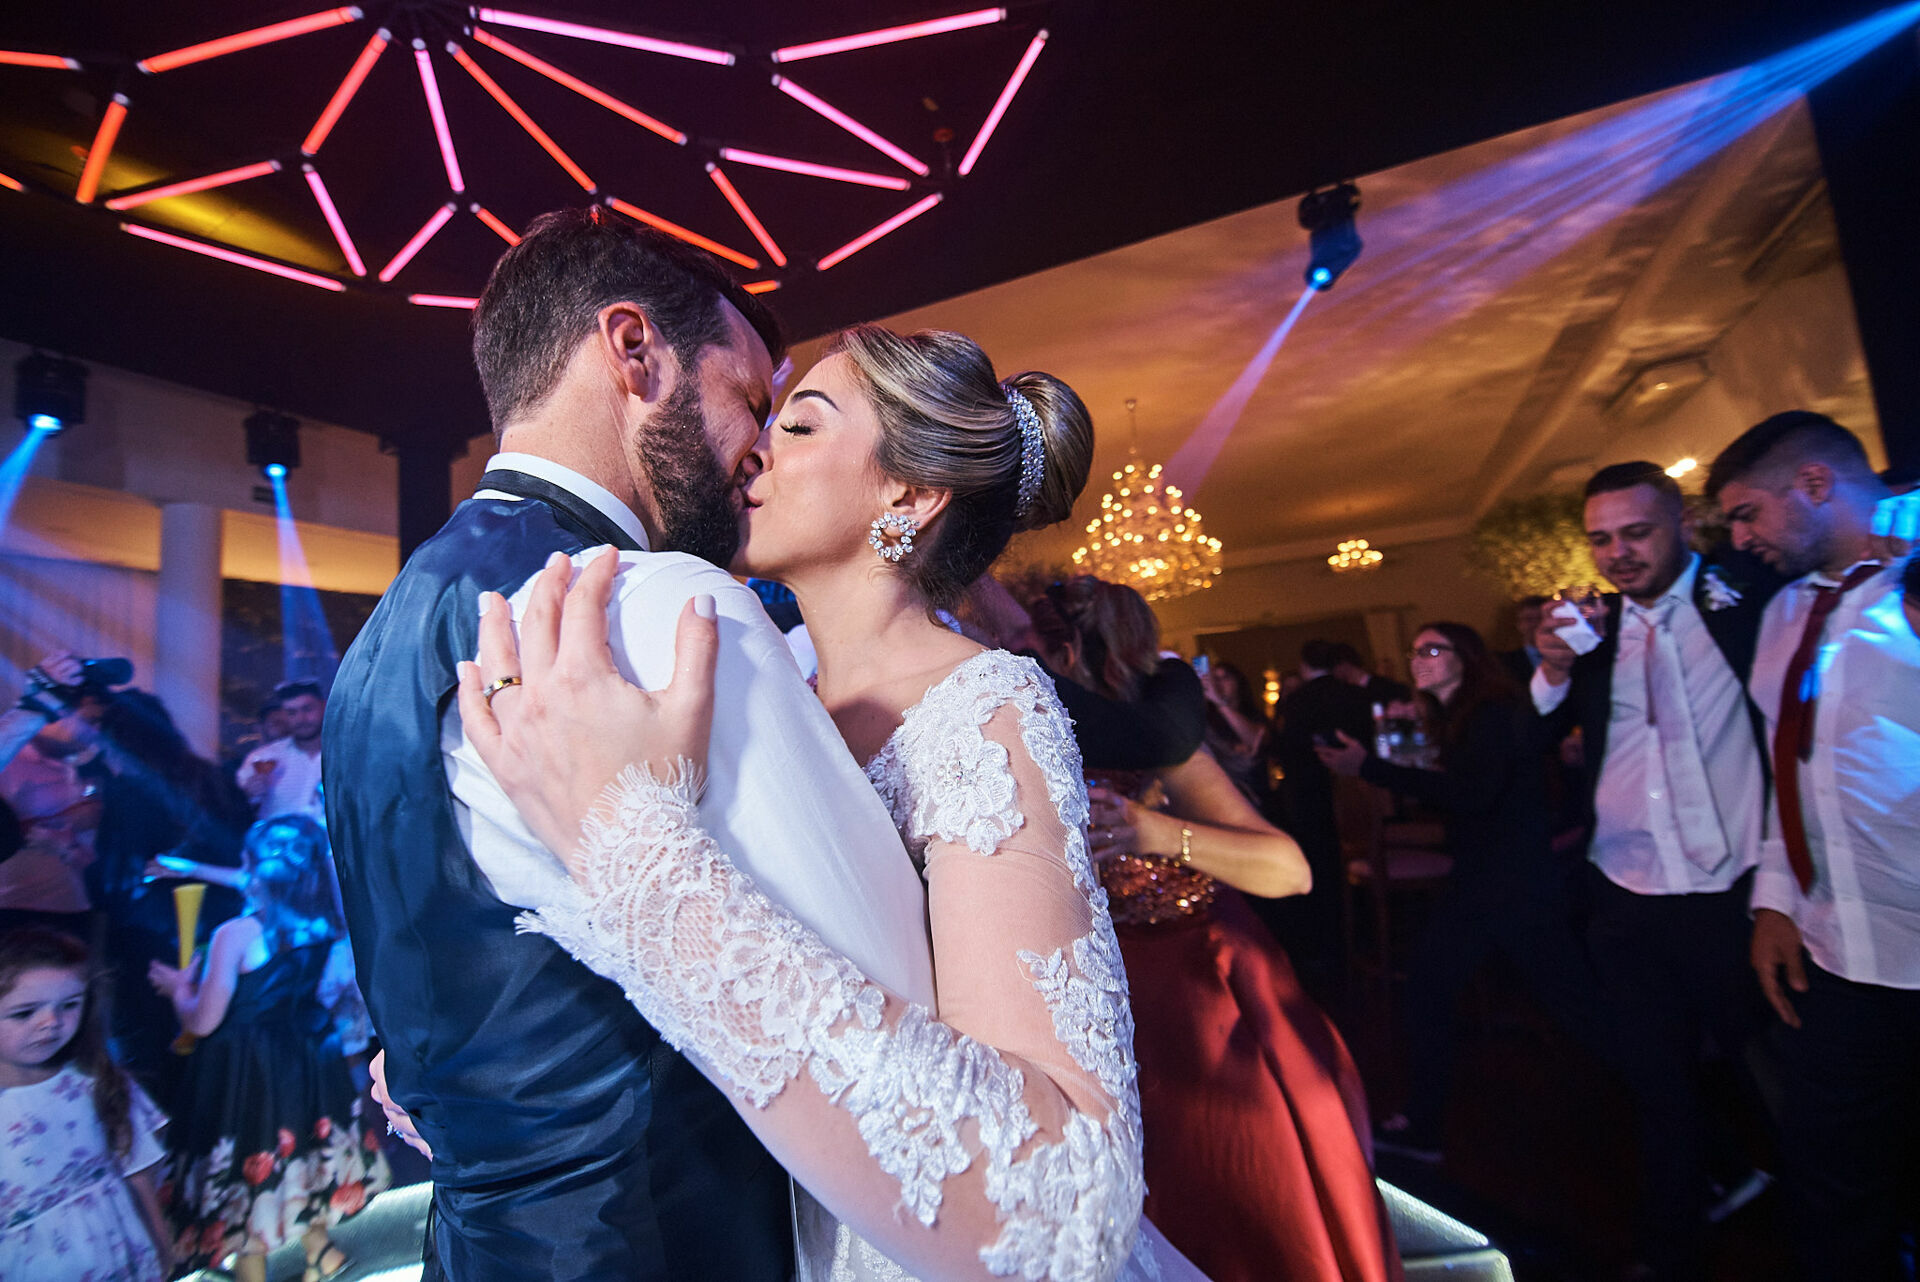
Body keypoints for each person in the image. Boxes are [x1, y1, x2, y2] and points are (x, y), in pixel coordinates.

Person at [423, 314, 1214, 1280]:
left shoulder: (985, 710)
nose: (751, 449)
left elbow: (1065, 1201)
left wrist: (633, 852)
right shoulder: (767, 683)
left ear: (911, 494)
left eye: (797, 426)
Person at [1037, 575, 1400, 1282]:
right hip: (1085, 1000)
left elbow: (1290, 870)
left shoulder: (1162, 745)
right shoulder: (1015, 734)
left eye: (1036, 642)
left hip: (1202, 993)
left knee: (1237, 1201)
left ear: (1079, 649)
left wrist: (1155, 830)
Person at [1529, 460, 1782, 1279]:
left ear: (1681, 521)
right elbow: (1536, 731)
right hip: (1627, 893)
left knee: (1775, 1076)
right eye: (1601, 539)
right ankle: (1671, 1252)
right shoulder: (1592, 632)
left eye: (1636, 533)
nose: (1618, 554)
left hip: (1735, 892)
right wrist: (1555, 670)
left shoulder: (1746, 601)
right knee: (1656, 1085)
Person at [1706, 411, 1920, 1282]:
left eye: (1749, 514)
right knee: (1835, 1192)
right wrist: (1774, 901)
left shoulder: (1912, 587)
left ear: (1816, 486)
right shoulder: (1784, 614)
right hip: (1834, 956)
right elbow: (1783, 773)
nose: (1741, 538)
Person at [1318, 622, 1609, 1162]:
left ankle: (1679, 1123)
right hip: (1495, 878)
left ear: (1466, 658)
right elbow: (1462, 794)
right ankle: (1425, 1124)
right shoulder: (1458, 718)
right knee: (1449, 989)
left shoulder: (1492, 713)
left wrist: (1372, 768)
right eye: (1414, 650)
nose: (1418, 659)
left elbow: (1471, 794)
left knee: (1578, 1005)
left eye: (1432, 649)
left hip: (1510, 882)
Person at [148, 813, 388, 1282]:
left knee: (248, 1160)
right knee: (301, 1154)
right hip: (307, 1057)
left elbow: (204, 1020)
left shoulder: (235, 934)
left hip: (245, 1070)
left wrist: (179, 990)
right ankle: (323, 1254)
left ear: (259, 871)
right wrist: (194, 869)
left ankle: (253, 1272)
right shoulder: (327, 924)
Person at [0, 926, 172, 1282]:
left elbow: (137, 1168)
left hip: (121, 1253)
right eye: (24, 1013)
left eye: (69, 1005)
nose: (51, 1023)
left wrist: (161, 1241)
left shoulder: (95, 1080)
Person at [1271, 639, 1375, 971]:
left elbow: (1285, 749)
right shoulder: (1356, 695)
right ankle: (1366, 933)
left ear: (1304, 664)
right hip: (1363, 794)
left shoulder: (1297, 701)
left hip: (1308, 796)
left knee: (1321, 867)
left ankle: (1328, 946)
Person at [237, 679, 326, 820]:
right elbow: (235, 814)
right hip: (279, 841)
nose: (301, 718)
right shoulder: (262, 757)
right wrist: (249, 795)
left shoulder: (348, 756)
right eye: (292, 712)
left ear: (324, 706)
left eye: (307, 709)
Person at [1497, 595, 1549, 684]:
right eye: (1529, 619)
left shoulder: (1572, 659)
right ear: (1519, 625)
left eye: (1540, 618)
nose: (1535, 624)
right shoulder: (1503, 663)